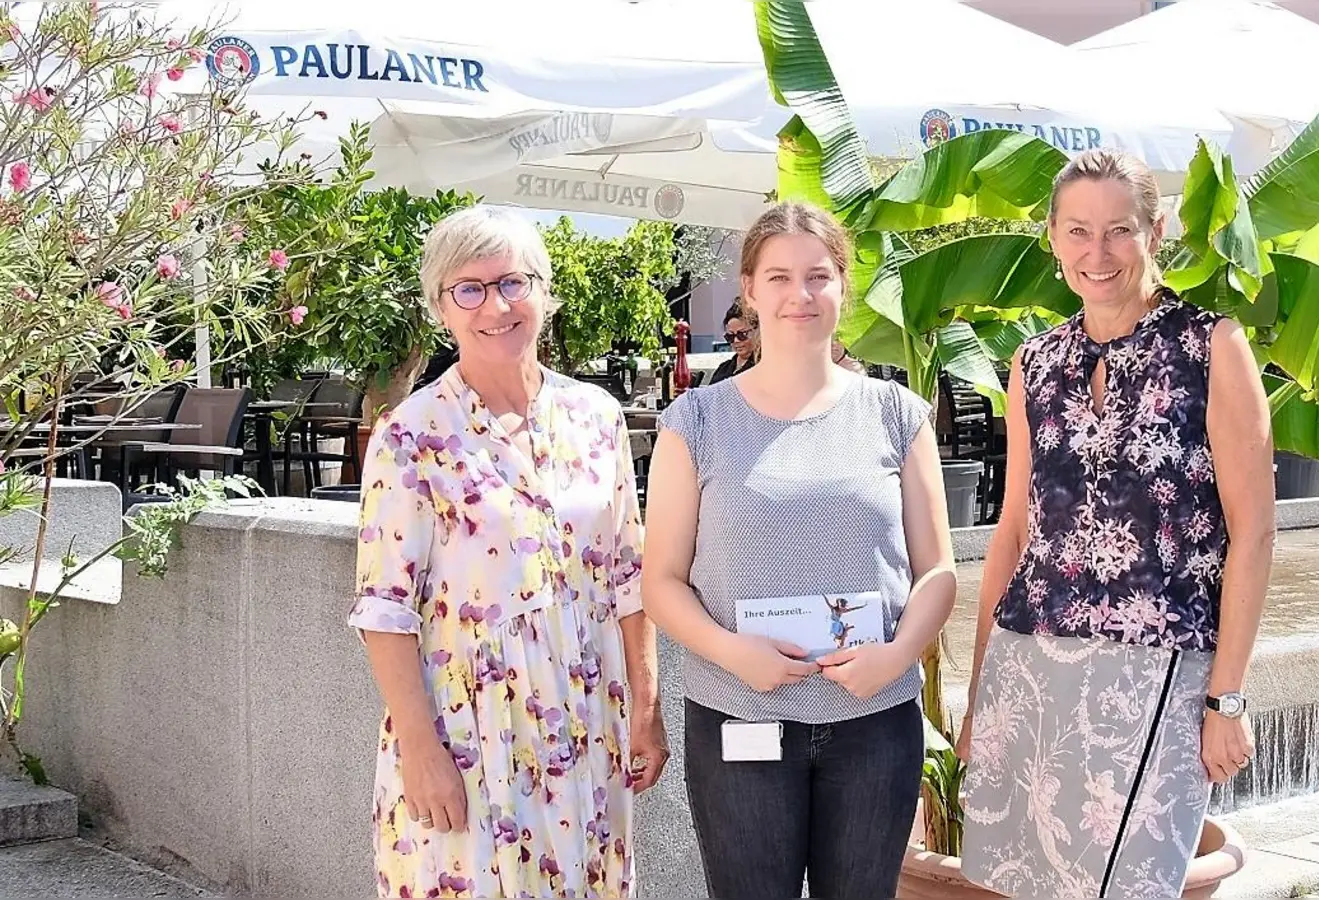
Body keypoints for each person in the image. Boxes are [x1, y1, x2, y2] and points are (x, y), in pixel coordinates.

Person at [955, 148, 1276, 899]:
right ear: (1053, 238)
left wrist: (1226, 697)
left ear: (1156, 231)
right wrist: (979, 698)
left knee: (1137, 886)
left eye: (1118, 230)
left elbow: (1254, 532)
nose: (1096, 253)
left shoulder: (1211, 346)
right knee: (1027, 882)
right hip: (1032, 662)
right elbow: (1011, 534)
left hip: (1161, 670)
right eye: (1076, 231)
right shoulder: (1034, 362)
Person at [348, 204, 669, 898]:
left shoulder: (597, 418)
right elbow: (384, 609)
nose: (495, 305)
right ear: (442, 309)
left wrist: (648, 706)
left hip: (589, 720)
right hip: (470, 732)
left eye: (512, 282)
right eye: (469, 288)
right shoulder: (410, 435)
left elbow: (628, 577)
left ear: (544, 293)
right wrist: (421, 750)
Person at [641, 201, 957, 899]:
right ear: (749, 290)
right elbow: (659, 581)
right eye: (779, 277)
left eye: (818, 276)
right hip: (739, 721)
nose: (800, 295)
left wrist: (895, 657)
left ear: (844, 284)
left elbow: (937, 570)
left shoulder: (896, 415)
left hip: (874, 725)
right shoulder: (694, 423)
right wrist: (732, 653)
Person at [706, 304, 759, 384]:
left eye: (742, 334)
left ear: (757, 332)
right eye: (730, 336)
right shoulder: (724, 368)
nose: (736, 340)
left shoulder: (763, 368)